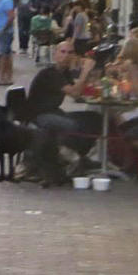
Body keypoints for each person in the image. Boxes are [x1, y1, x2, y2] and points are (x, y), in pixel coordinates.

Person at [24, 41, 100, 185]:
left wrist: (90, 78)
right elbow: (75, 93)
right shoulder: (50, 73)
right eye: (62, 52)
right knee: (72, 125)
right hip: (39, 115)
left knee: (95, 118)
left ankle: (79, 156)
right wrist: (85, 72)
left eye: (70, 53)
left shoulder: (64, 72)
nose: (66, 56)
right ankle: (66, 157)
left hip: (54, 112)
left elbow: (79, 92)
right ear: (55, 54)